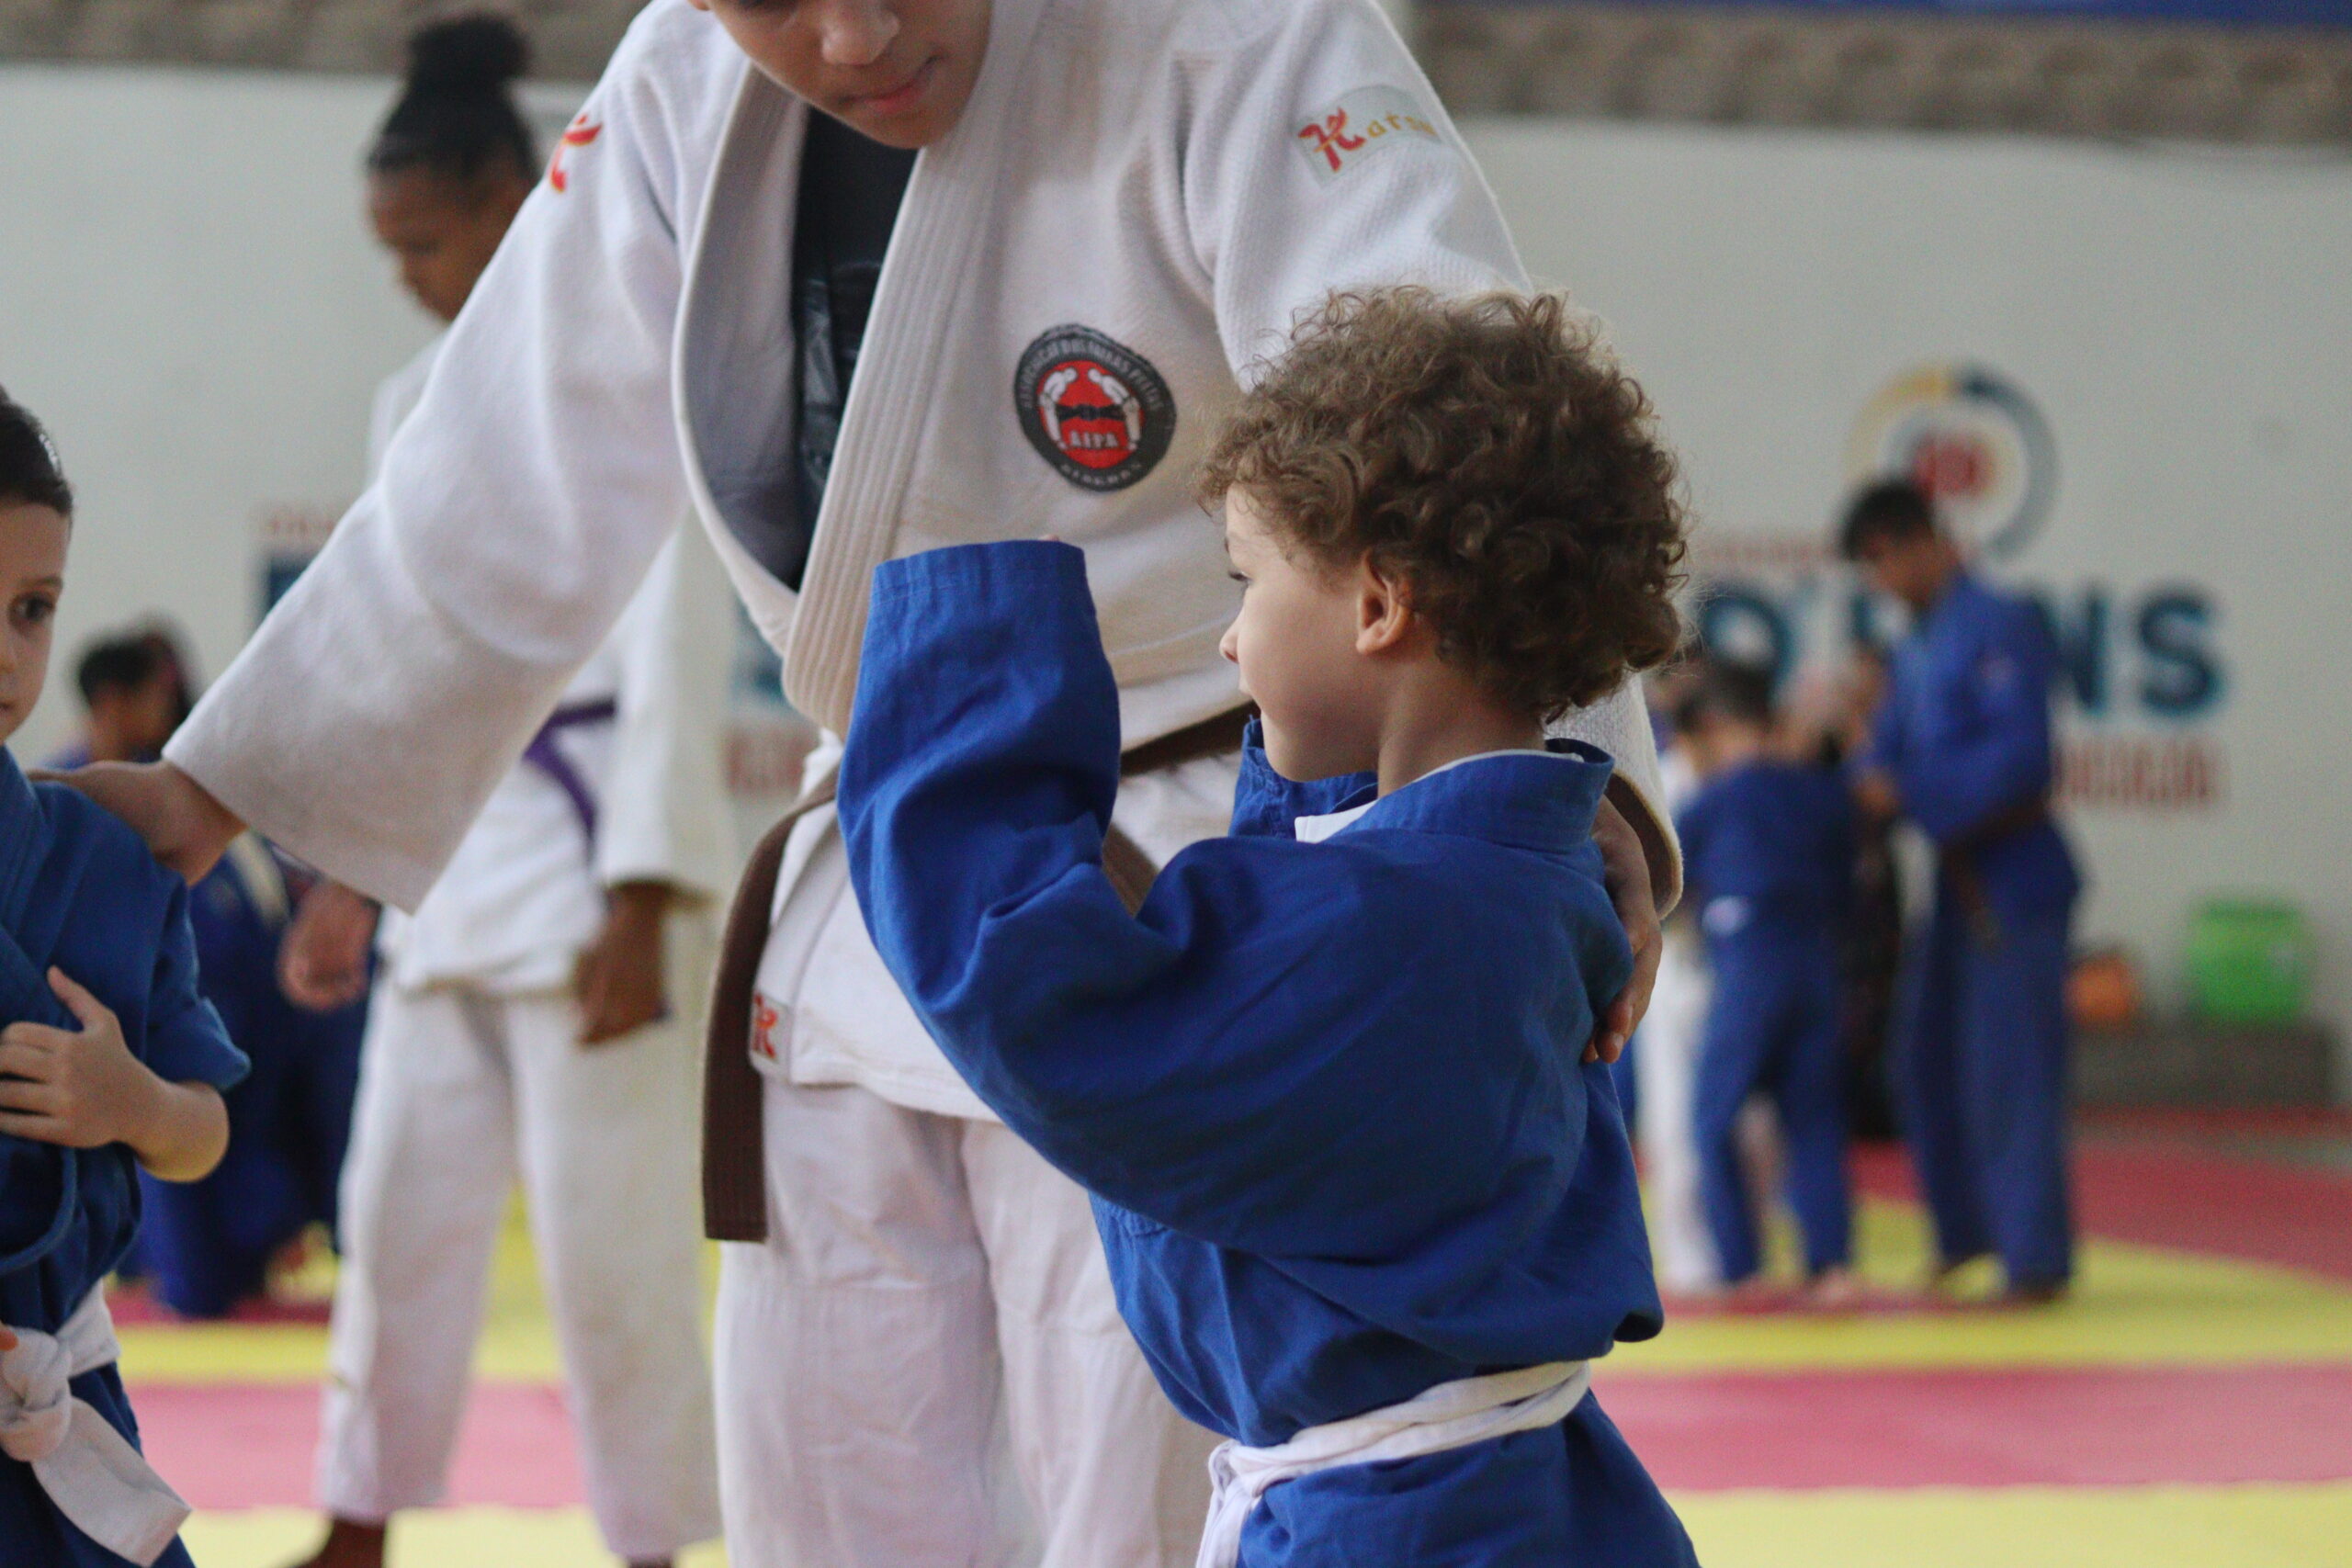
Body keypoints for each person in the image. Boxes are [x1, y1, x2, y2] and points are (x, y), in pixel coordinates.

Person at [66, 4, 1682, 1562]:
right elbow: (502, 458)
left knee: (1138, 1506)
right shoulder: (680, 81)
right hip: (871, 889)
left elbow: (1462, 418)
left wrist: (1563, 773)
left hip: (1204, 913)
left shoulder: (1234, 28)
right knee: (830, 1497)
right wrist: (222, 785)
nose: (849, 38)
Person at [835, 289, 1695, 1567]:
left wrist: (970, 659)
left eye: (1246, 581)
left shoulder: (1398, 925)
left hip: (1399, 1533)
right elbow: (1311, 895)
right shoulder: (1509, 873)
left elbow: (1043, 1005)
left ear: (1380, 605)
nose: (1232, 640)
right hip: (1484, 1505)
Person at [275, 19, 730, 1567]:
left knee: (615, 1256)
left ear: (507, 197)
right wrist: (346, 872)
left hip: (596, 865)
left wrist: (647, 894)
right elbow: (394, 660)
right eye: (391, 251)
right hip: (446, 860)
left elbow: (674, 642)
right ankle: (356, 1519)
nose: (408, 277)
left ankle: (653, 1543)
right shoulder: (411, 399)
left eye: (424, 242)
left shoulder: (635, 363)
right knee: (391, 1217)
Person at [0, 389, 247, 1568]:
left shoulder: (103, 860)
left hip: (55, 1407)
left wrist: (130, 1102)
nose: (9, 653)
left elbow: (203, 1131)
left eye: (32, 609)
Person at [59, 634, 364, 1321]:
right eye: (158, 692)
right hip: (142, 1011)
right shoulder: (84, 794)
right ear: (115, 699)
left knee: (246, 1140)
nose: (171, 703)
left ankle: (236, 1260)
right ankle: (174, 1274)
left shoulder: (176, 787)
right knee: (161, 1142)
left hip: (240, 1005)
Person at [1841, 478, 2081, 1303]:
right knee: (1922, 1061)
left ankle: (2035, 1260)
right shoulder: (1914, 645)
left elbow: (2023, 759)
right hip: (1951, 884)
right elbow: (1880, 751)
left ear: (1927, 542)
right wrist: (1869, 774)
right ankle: (1966, 1233)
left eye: (1883, 559)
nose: (1880, 580)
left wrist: (1907, 790)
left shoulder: (2000, 622)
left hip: (2012, 878)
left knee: (2010, 1070)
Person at [1673, 660, 1858, 1302]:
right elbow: (1847, 883)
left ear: (1718, 727)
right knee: (1814, 1117)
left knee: (1713, 1116)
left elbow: (1672, 885)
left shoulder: (1715, 800)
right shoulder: (1823, 795)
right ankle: (1830, 1266)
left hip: (1748, 959)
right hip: (1816, 958)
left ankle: (1740, 1267)